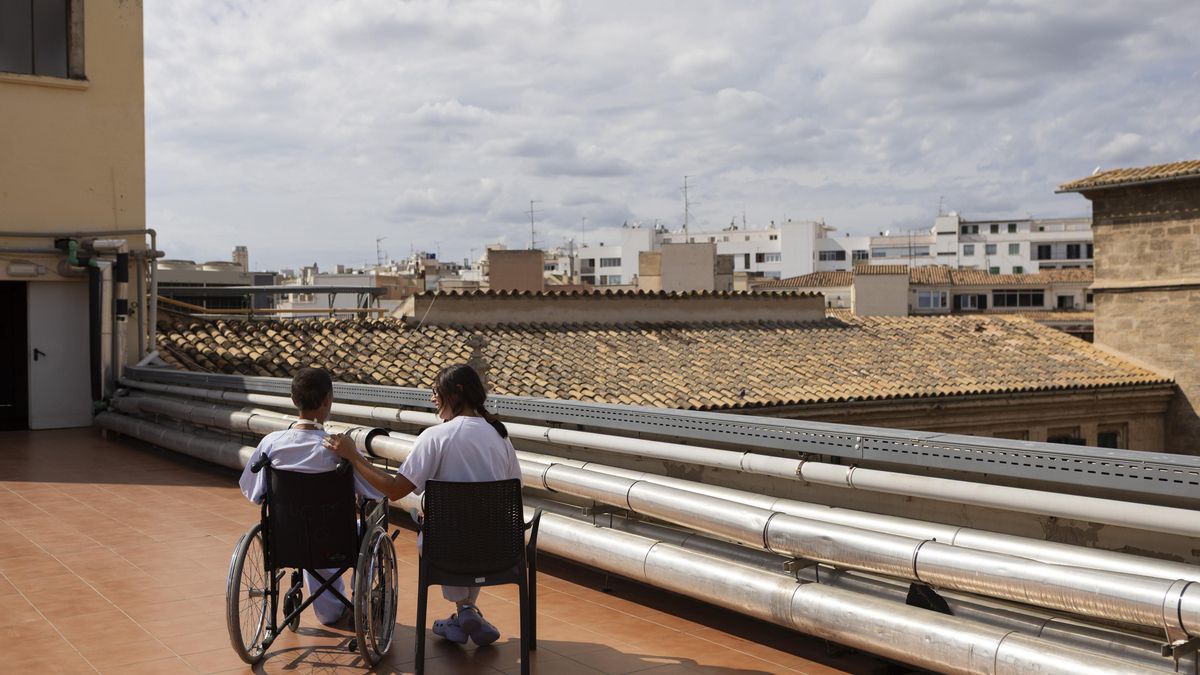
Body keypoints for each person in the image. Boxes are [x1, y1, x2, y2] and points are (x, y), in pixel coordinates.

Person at [324, 363, 522, 647]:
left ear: (456, 393)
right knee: (467, 525)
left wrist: (354, 456)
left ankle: (464, 611)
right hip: (499, 548)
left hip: (446, 551)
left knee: (436, 523)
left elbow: (394, 490)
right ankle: (466, 611)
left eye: (435, 391)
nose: (432, 399)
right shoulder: (501, 438)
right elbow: (514, 490)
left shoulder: (435, 437)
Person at [239, 367, 384, 627]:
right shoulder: (337, 448)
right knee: (363, 530)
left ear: (294, 400)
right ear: (328, 399)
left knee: (309, 533)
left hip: (286, 537)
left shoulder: (271, 444)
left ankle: (329, 611)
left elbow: (253, 493)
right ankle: (359, 603)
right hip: (335, 538)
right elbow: (374, 492)